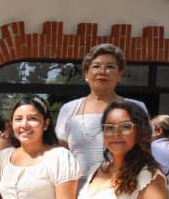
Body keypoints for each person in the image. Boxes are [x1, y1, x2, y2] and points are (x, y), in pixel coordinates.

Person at [55, 44, 149, 185]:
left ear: (120, 74)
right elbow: (61, 156)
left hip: (123, 187)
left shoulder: (136, 108)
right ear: (86, 74)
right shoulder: (69, 109)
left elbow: (145, 153)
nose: (102, 71)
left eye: (110, 66)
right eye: (96, 66)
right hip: (78, 191)